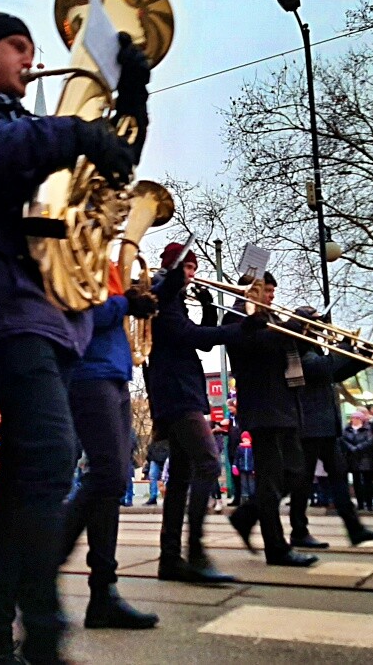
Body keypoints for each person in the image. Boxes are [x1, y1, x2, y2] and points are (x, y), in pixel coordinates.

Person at [0, 5, 150, 663]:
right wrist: (75, 131)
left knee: (28, 474)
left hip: (52, 318)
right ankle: (43, 630)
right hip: (4, 306)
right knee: (52, 453)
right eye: (18, 46)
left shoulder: (28, 123)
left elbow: (110, 169)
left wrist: (132, 96)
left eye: (30, 46)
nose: (31, 56)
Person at [60, 263, 159, 630]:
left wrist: (143, 296)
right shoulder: (72, 252)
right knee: (109, 475)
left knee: (111, 484)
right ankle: (46, 562)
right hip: (89, 373)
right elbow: (79, 310)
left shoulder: (108, 263)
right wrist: (124, 304)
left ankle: (103, 594)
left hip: (114, 373)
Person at [147, 243, 246, 583]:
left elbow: (200, 342)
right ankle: (196, 552)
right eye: (188, 268)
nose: (193, 274)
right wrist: (240, 329)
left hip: (182, 391)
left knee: (181, 478)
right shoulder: (159, 293)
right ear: (175, 268)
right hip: (176, 393)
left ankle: (171, 559)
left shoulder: (171, 298)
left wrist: (207, 307)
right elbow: (187, 335)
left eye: (194, 268)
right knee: (207, 463)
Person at [224, 273, 320, 567]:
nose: (272, 296)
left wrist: (306, 332)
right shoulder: (236, 317)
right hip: (262, 407)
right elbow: (261, 347)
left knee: (296, 473)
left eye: (272, 291)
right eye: (266, 290)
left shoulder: (272, 317)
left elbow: (289, 351)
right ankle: (276, 549)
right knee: (269, 479)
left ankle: (247, 514)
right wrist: (293, 326)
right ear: (250, 290)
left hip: (285, 405)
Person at [284, 307, 373, 550]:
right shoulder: (297, 349)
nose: (322, 327)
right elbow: (321, 368)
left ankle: (354, 528)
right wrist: (347, 348)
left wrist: (359, 360)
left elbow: (334, 374)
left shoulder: (313, 348)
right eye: (317, 322)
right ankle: (295, 529)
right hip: (308, 425)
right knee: (301, 482)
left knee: (338, 476)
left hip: (325, 425)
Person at [341, 411, 373, 512]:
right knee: (357, 482)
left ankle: (369, 503)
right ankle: (360, 503)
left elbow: (370, 441)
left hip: (365, 457)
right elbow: (343, 440)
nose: (354, 420)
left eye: (357, 418)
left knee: (367, 481)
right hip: (352, 458)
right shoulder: (347, 429)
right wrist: (351, 447)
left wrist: (358, 447)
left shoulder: (367, 429)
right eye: (353, 418)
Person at [143, 435, 168, 506]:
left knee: (153, 477)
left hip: (156, 457)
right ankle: (153, 497)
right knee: (153, 476)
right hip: (157, 458)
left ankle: (153, 497)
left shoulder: (157, 435)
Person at [232, 432, 255, 503]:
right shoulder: (240, 448)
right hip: (242, 469)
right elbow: (237, 458)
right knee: (243, 484)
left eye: (246, 439)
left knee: (251, 484)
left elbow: (254, 459)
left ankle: (252, 498)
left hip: (251, 469)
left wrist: (254, 468)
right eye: (243, 439)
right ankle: (245, 499)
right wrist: (235, 466)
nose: (245, 441)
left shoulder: (252, 448)